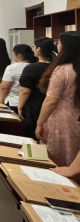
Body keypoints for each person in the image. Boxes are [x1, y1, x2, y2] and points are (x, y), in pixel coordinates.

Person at [36, 32, 80, 167]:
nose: (57, 45)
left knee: (58, 158)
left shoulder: (62, 70)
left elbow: (51, 101)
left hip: (62, 119)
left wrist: (39, 123)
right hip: (77, 117)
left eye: (59, 42)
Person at [19, 37, 57, 139]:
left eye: (34, 46)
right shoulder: (57, 67)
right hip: (53, 107)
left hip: (34, 106)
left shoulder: (31, 68)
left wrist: (20, 107)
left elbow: (25, 91)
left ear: (39, 49)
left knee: (33, 135)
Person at [0, 44, 37, 113]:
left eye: (14, 53)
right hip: (30, 103)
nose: (13, 55)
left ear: (19, 55)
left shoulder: (12, 67)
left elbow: (4, 87)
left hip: (14, 102)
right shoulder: (34, 67)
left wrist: (1, 100)